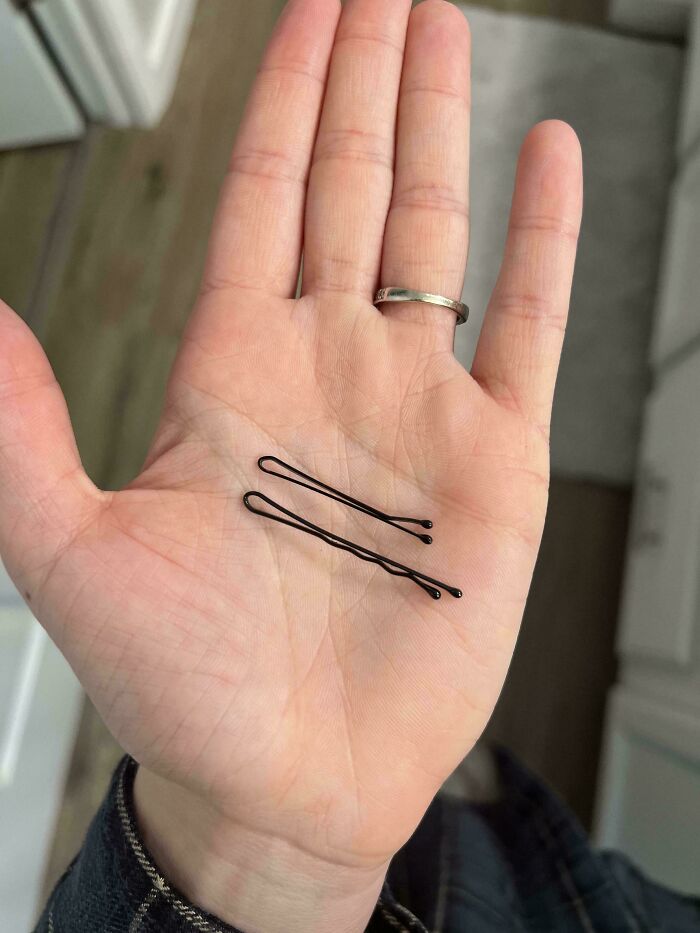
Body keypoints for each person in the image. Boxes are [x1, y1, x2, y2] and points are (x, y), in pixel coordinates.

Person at [0, 0, 696, 930]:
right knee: (472, 843)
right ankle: (446, 811)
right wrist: (269, 853)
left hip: (435, 870)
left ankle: (426, 813)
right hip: (512, 882)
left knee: (453, 838)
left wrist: (258, 860)